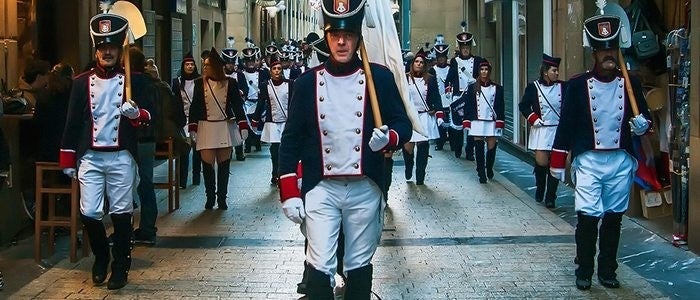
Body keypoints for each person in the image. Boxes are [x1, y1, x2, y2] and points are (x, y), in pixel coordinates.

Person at [278, 0, 411, 297]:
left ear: (358, 38)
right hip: (321, 188)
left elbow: (403, 125)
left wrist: (389, 137)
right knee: (319, 262)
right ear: (326, 37)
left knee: (359, 263)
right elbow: (291, 141)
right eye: (335, 34)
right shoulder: (306, 83)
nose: (341, 41)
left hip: (365, 186)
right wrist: (288, 190)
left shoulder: (380, 79)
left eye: (348, 34)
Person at [550, 14, 652, 290]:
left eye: (612, 49)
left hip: (620, 160)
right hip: (589, 161)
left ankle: (608, 270)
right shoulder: (577, 85)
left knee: (613, 218)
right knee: (587, 217)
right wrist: (558, 160)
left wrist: (644, 125)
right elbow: (566, 125)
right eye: (603, 49)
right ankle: (584, 269)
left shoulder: (630, 83)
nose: (608, 54)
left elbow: (643, 118)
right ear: (594, 53)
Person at [60, 12, 154, 290]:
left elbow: (151, 119)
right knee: (89, 212)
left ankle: (121, 267)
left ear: (121, 47)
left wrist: (137, 114)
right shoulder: (80, 82)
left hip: (122, 156)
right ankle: (101, 256)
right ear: (96, 49)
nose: (108, 52)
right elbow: (72, 122)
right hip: (89, 156)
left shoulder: (136, 82)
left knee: (122, 212)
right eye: (103, 47)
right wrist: (67, 156)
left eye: (112, 46)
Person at [188, 47, 249, 210]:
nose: (205, 68)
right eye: (204, 65)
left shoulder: (231, 83)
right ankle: (210, 197)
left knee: (223, 165)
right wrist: (192, 126)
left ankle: (222, 197)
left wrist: (243, 124)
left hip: (224, 126)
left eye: (208, 65)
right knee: (207, 165)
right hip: (205, 127)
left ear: (215, 67)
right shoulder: (199, 83)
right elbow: (195, 106)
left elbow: (237, 105)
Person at [518, 54, 566, 208]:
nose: (557, 73)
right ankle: (540, 187)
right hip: (542, 130)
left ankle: (551, 196)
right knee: (541, 163)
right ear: (545, 71)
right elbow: (523, 105)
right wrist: (533, 118)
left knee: (556, 165)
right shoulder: (533, 87)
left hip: (558, 130)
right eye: (554, 70)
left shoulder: (564, 87)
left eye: (557, 70)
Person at [459, 60, 504, 184]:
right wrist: (467, 121)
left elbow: (500, 106)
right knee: (478, 146)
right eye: (482, 70)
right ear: (479, 72)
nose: (484, 72)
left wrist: (500, 121)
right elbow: (468, 105)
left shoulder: (497, 88)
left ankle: (489, 167)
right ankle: (481, 172)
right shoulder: (473, 87)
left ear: (489, 71)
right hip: (477, 121)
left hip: (491, 121)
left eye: (486, 70)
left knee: (491, 147)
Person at [445, 23, 484, 160]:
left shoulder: (478, 61)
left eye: (467, 47)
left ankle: (469, 151)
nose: (466, 50)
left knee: (472, 125)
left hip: (472, 97)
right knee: (458, 126)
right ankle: (457, 148)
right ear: (460, 48)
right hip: (458, 96)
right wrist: (449, 94)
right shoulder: (455, 62)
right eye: (463, 48)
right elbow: (449, 79)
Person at [402, 49, 441, 185]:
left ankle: (420, 176)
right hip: (409, 117)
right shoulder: (404, 78)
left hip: (424, 116)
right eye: (416, 62)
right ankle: (408, 167)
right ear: (412, 64)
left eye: (421, 62)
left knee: (423, 146)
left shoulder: (430, 79)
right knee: (408, 146)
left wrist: (435, 109)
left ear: (425, 65)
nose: (419, 64)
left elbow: (436, 97)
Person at [250, 59, 291, 186]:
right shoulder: (265, 85)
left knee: (286, 148)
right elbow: (261, 103)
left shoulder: (290, 84)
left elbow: (294, 103)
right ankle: (275, 172)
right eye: (274, 69)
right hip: (272, 121)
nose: (277, 71)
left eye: (279, 68)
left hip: (287, 121)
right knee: (275, 149)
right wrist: (255, 119)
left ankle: (285, 173)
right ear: (270, 71)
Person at [173, 52, 202, 187]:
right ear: (183, 66)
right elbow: (175, 102)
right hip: (183, 120)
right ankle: (182, 181)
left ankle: (196, 179)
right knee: (184, 151)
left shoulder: (200, 81)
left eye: (192, 64)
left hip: (197, 120)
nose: (190, 67)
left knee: (197, 151)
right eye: (187, 64)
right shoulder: (177, 82)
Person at [237, 43, 264, 153]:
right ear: (245, 63)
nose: (251, 64)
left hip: (258, 102)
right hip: (247, 103)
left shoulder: (262, 73)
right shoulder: (241, 74)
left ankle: (258, 143)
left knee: (257, 124)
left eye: (252, 61)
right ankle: (247, 145)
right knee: (247, 125)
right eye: (248, 62)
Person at [222, 46, 247, 161]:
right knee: (226, 130)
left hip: (236, 105)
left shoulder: (240, 75)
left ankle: (239, 151)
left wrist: (242, 93)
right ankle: (228, 151)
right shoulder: (220, 76)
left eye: (232, 63)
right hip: (223, 107)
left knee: (237, 129)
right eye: (228, 63)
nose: (230, 65)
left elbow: (245, 89)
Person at [429, 36, 451, 151]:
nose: (441, 59)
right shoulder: (432, 70)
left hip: (450, 98)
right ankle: (440, 142)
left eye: (443, 57)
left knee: (451, 121)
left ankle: (452, 141)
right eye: (439, 57)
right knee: (439, 122)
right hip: (437, 100)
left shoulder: (451, 69)